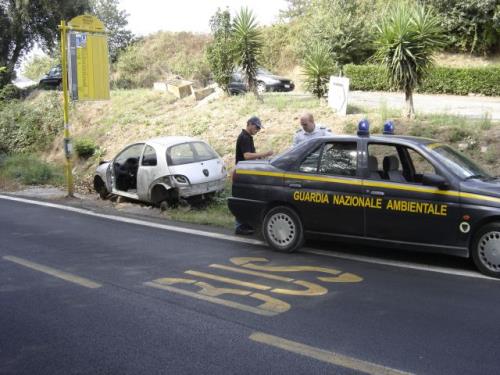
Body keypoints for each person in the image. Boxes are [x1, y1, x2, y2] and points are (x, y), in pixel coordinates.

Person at [234, 116, 273, 235]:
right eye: (256, 127)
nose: (257, 130)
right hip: (243, 172)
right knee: (242, 198)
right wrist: (264, 153)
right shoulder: (244, 137)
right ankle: (240, 226)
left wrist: (260, 157)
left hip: (246, 172)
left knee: (246, 198)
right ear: (250, 124)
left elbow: (251, 154)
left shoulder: (248, 137)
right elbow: (246, 156)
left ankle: (245, 224)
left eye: (259, 128)